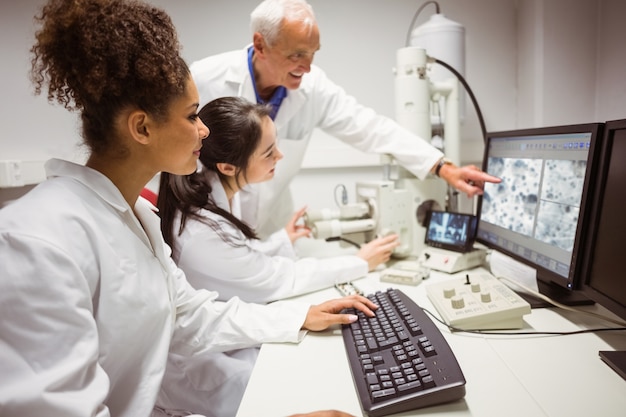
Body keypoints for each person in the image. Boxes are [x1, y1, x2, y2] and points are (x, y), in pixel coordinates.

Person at [0, 1, 375, 416]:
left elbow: (188, 316)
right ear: (142, 127)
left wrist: (299, 317)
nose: (205, 130)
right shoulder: (36, 240)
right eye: (193, 115)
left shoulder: (135, 217)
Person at [155, 96, 400, 417]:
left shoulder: (213, 195)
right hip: (195, 367)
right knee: (301, 387)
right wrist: (360, 261)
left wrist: (282, 240)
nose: (280, 156)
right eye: (269, 152)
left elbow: (244, 256)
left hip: (220, 337)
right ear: (228, 167)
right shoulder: (202, 230)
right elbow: (272, 277)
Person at [190, 0, 501, 240]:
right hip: (210, 224)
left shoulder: (313, 88)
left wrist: (442, 167)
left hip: (274, 227)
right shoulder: (205, 79)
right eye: (297, 55)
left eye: (313, 54)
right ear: (260, 45)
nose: (307, 67)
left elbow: (370, 127)